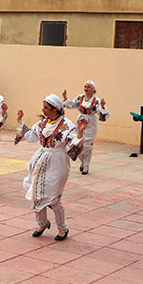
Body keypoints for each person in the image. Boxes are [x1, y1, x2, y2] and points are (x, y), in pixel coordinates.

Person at [16, 94, 87, 241]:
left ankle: (63, 228)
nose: (43, 110)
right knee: (36, 194)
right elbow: (31, 136)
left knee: (54, 198)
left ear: (56, 109)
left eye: (46, 108)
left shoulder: (66, 125)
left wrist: (79, 132)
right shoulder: (43, 123)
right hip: (40, 160)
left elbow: (74, 143)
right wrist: (20, 121)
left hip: (58, 163)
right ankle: (42, 223)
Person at [62, 81, 110, 175]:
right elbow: (72, 104)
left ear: (93, 89)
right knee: (77, 143)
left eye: (88, 87)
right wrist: (65, 98)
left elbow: (101, 112)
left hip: (91, 123)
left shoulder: (96, 101)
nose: (86, 88)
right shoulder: (80, 98)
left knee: (88, 145)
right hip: (80, 121)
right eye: (85, 86)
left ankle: (86, 165)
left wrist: (103, 106)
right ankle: (82, 161)